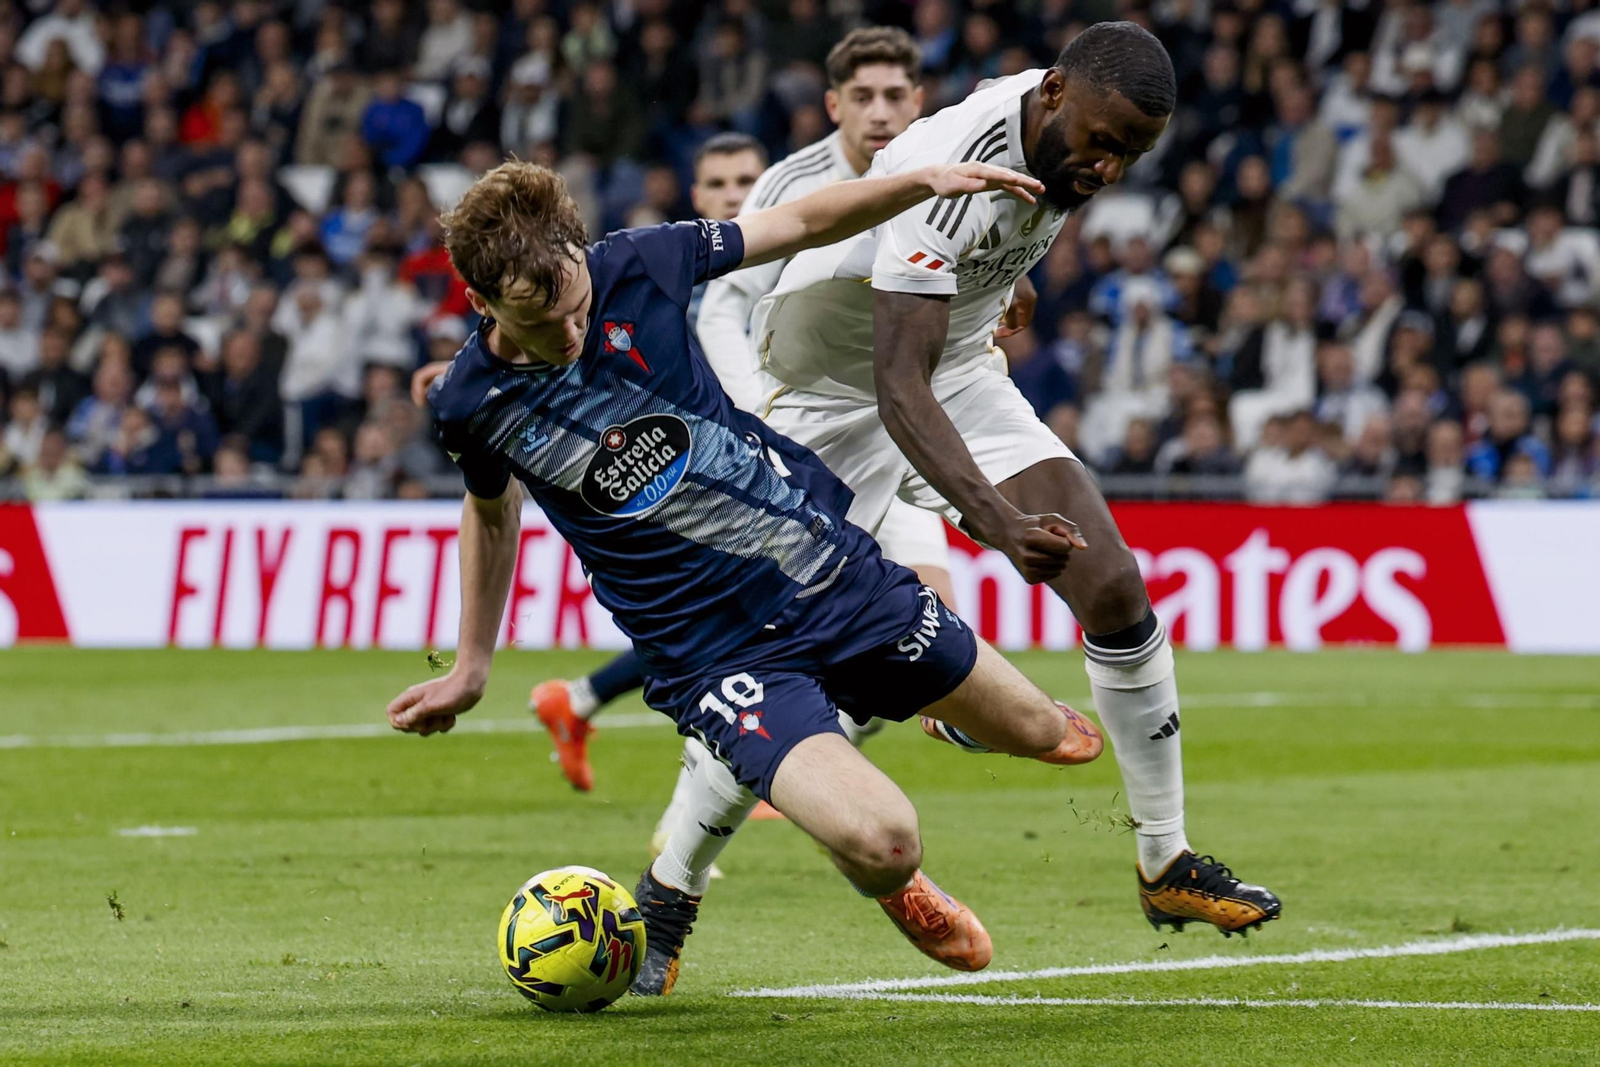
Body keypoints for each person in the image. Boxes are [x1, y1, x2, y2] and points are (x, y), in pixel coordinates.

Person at [387, 158, 1105, 997]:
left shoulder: (642, 259)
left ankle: (949, 711)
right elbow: (490, 508)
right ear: (481, 303)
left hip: (832, 574)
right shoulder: (470, 402)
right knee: (887, 838)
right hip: (714, 655)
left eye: (579, 304)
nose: (572, 334)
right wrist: (474, 664)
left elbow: (800, 223)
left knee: (1045, 734)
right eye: (543, 322)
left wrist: (925, 183)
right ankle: (894, 884)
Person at [747, 22, 1280, 937]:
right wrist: (993, 520)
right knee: (772, 671)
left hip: (950, 364)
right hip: (828, 391)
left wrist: (998, 285)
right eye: (1104, 144)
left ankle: (1165, 857)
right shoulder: (957, 164)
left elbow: (961, 304)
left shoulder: (1073, 123)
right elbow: (895, 382)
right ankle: (672, 890)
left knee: (1111, 582)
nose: (1109, 170)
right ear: (1056, 94)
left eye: (1132, 155)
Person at [535, 31, 993, 802]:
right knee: (758, 626)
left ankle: (819, 755)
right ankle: (714, 807)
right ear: (833, 105)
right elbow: (722, 314)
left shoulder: (922, 174)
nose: (733, 195)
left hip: (874, 425)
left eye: (894, 96)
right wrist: (759, 426)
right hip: (775, 442)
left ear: (917, 101)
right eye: (719, 182)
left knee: (909, 610)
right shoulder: (767, 203)